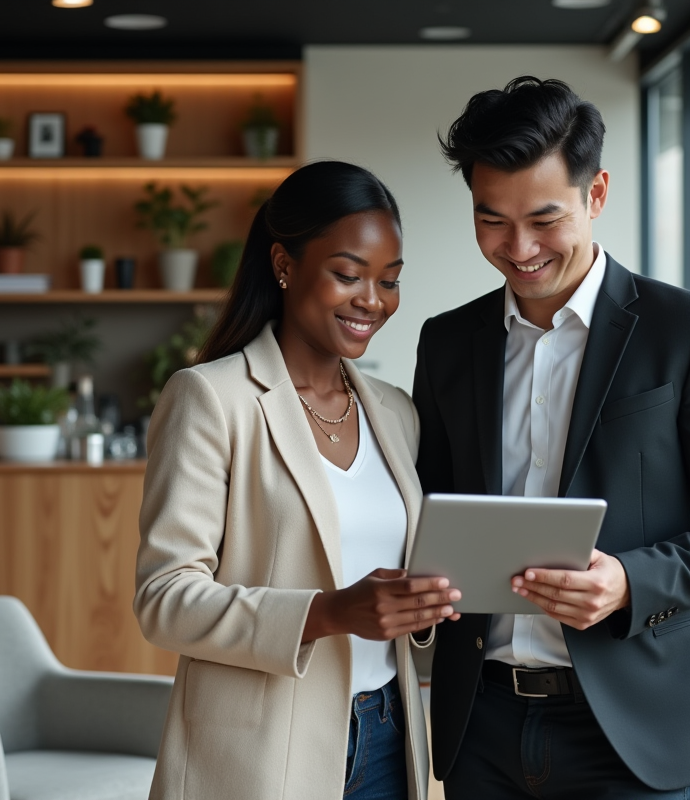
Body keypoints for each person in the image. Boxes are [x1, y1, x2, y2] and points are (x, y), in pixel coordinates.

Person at [414, 77, 690, 799]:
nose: (517, 248)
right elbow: (431, 506)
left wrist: (629, 583)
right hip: (480, 723)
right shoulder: (447, 341)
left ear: (598, 194)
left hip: (632, 726)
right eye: (491, 220)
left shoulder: (688, 329)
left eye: (544, 219)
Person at [135, 160, 460, 800]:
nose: (373, 299)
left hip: (389, 733)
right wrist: (328, 611)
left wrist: (425, 604)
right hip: (260, 748)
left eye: (390, 281)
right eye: (348, 274)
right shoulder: (210, 398)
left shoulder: (396, 412)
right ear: (284, 264)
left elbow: (391, 581)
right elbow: (164, 599)